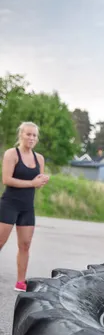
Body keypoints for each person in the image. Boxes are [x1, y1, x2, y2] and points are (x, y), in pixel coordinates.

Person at [0, 121, 49, 291]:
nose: (31, 138)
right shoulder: (11, 154)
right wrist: (32, 182)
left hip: (27, 207)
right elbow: (6, 180)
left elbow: (38, 183)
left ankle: (21, 282)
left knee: (25, 244)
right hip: (9, 205)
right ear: (21, 134)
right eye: (28, 134)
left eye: (34, 135)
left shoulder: (39, 158)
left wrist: (42, 181)